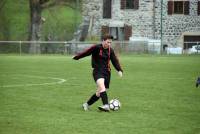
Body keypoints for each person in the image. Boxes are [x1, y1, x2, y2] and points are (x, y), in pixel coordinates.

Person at [72, 35, 123, 112]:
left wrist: (119, 70)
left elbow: (114, 60)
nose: (109, 44)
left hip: (107, 72)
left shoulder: (110, 50)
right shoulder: (96, 48)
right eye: (107, 42)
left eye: (110, 42)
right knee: (102, 87)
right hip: (97, 71)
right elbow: (86, 52)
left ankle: (86, 104)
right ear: (103, 40)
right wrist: (77, 57)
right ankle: (106, 105)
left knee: (99, 93)